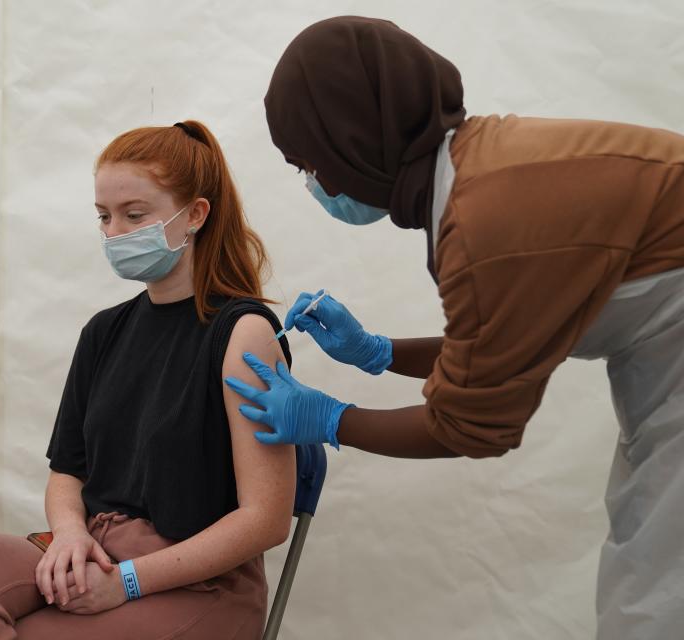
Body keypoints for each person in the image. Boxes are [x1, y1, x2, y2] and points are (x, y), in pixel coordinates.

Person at [224, 16, 684, 640]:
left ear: (352, 138)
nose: (314, 184)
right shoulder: (479, 166)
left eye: (307, 162)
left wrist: (331, 418)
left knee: (657, 591)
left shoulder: (483, 219)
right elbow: (504, 343)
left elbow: (473, 426)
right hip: (663, 350)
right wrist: (379, 353)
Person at [0, 120, 296, 639]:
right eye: (104, 217)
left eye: (135, 215)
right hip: (97, 551)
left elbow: (266, 519)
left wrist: (129, 581)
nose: (114, 233)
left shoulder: (244, 335)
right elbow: (68, 471)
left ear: (195, 214)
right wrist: (67, 535)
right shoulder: (104, 332)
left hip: (199, 583)